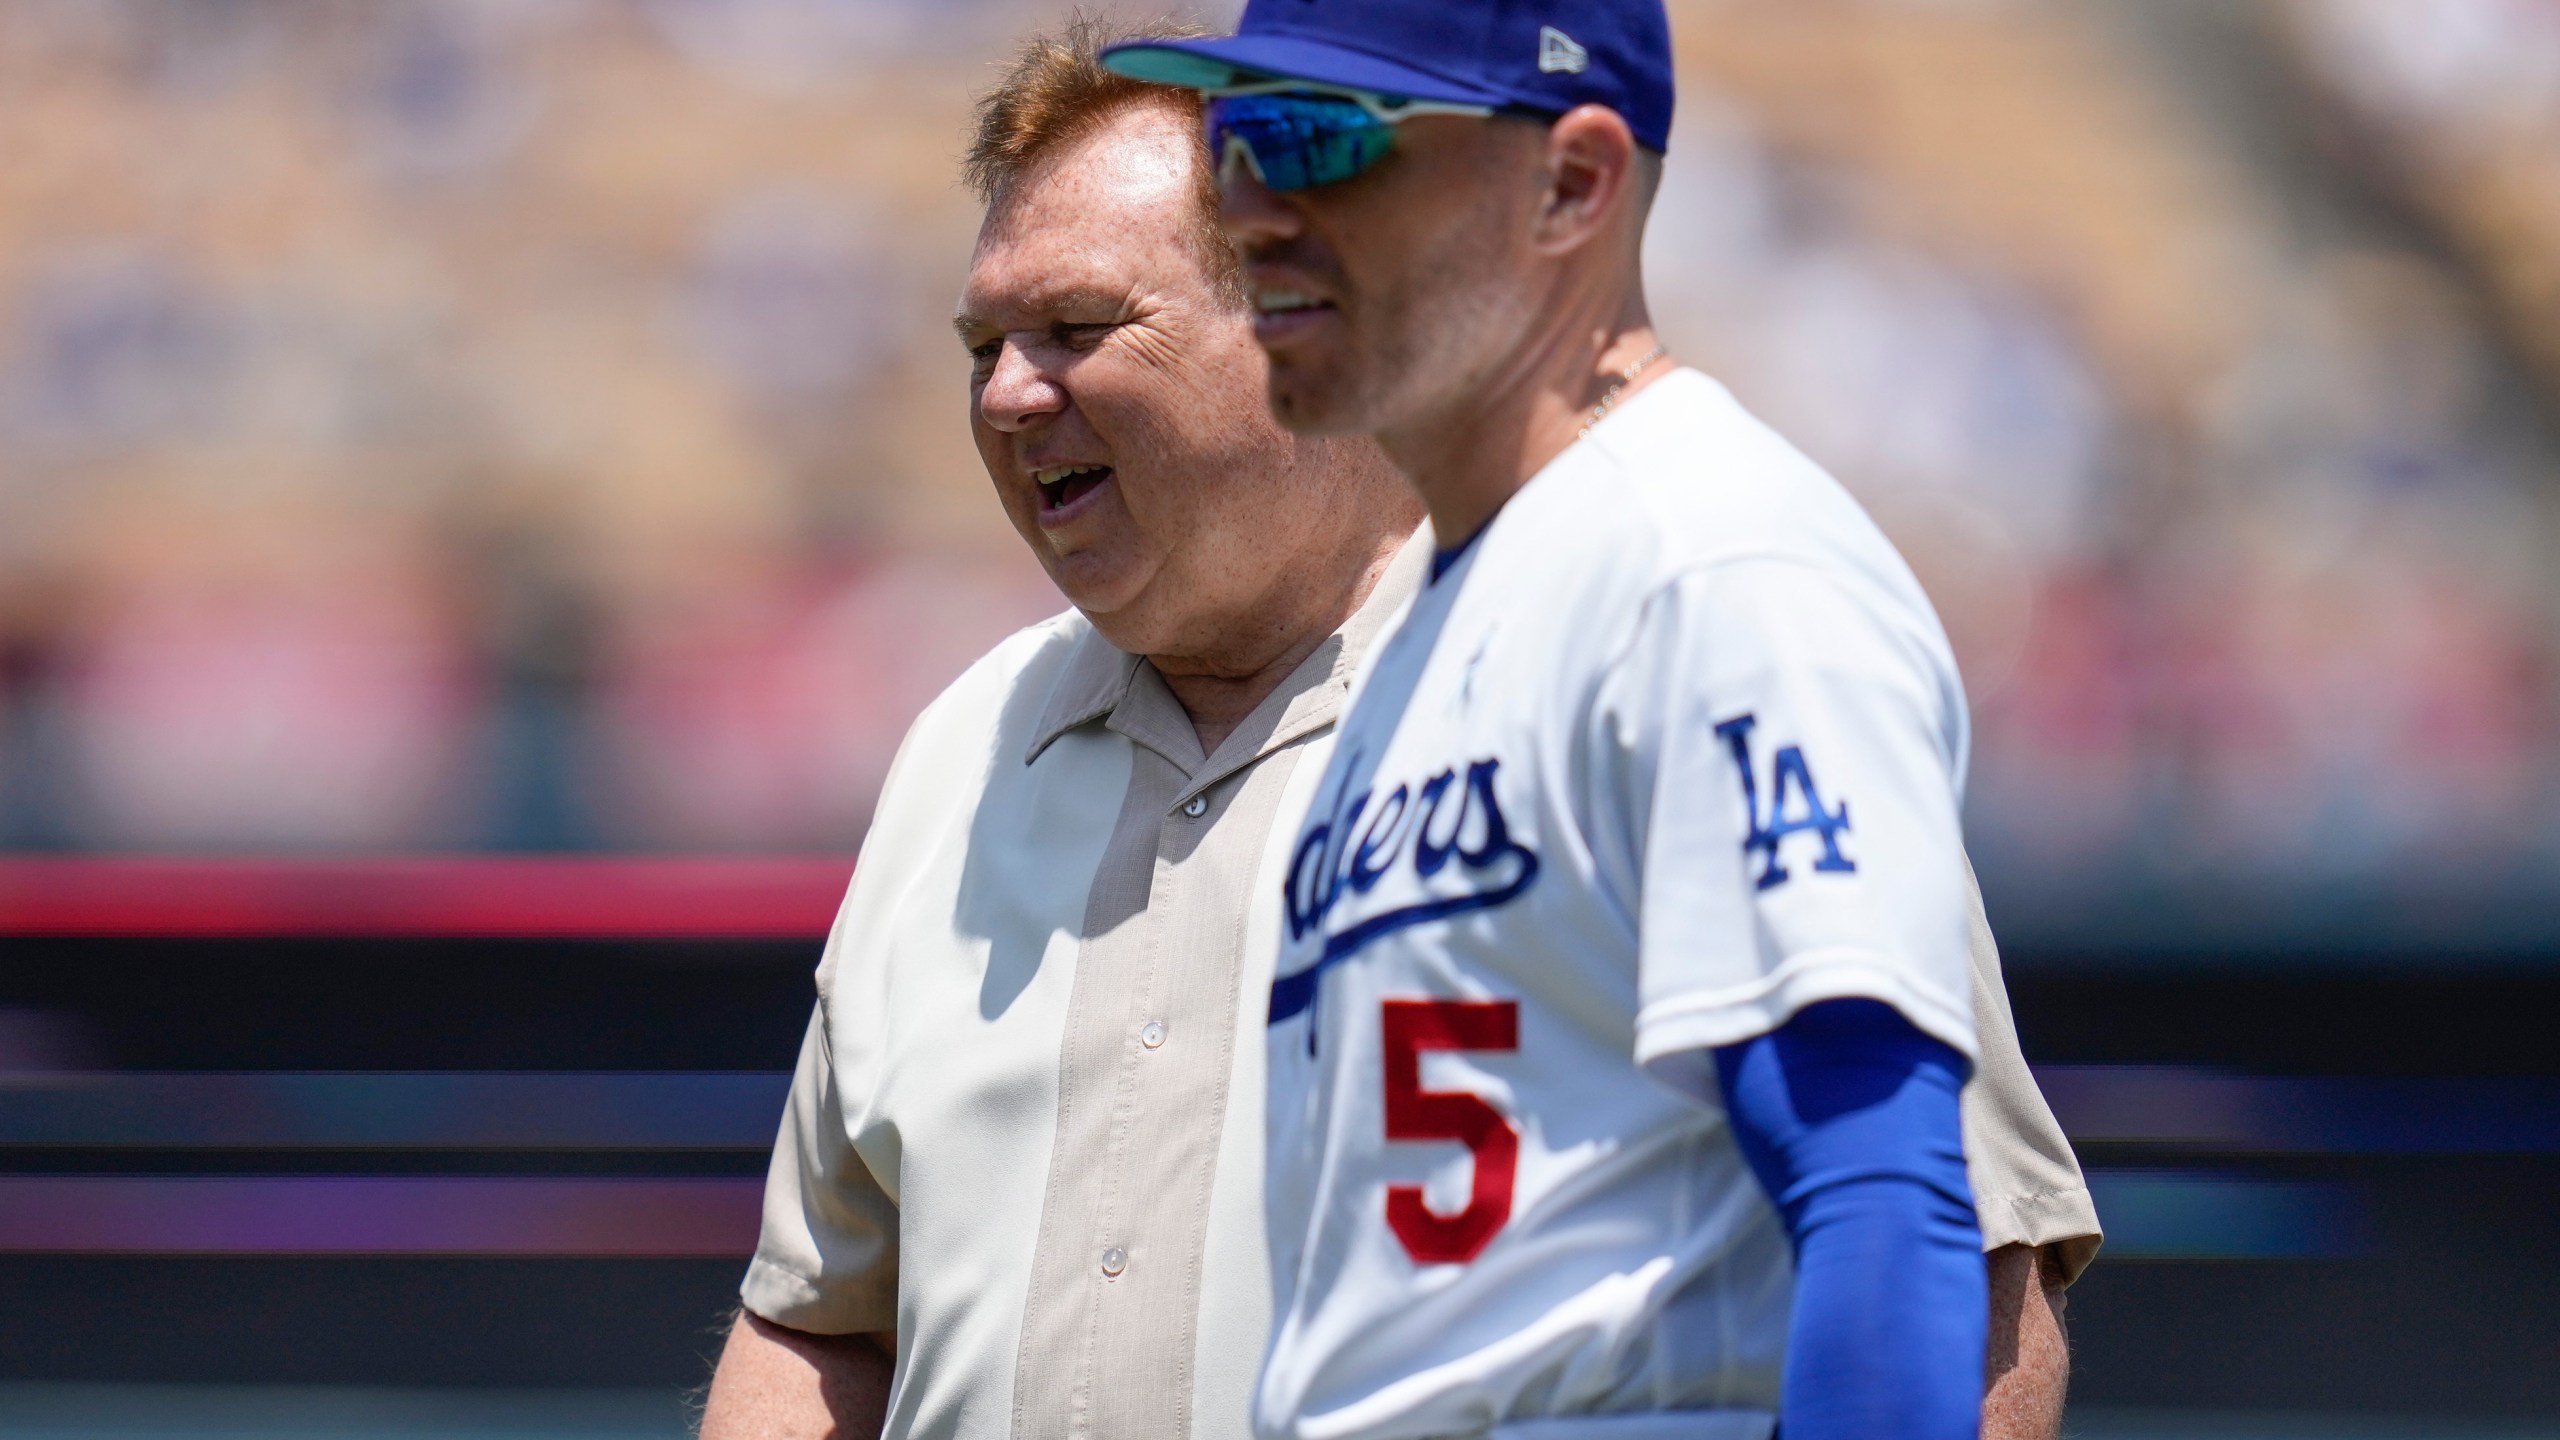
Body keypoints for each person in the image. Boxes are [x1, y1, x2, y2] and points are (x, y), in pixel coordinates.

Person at [699, 17, 2093, 1440]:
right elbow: (822, 1325)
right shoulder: (976, 745)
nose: (1005, 394)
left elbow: (1925, 1242)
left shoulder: (1677, 606)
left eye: (1074, 330)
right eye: (984, 342)